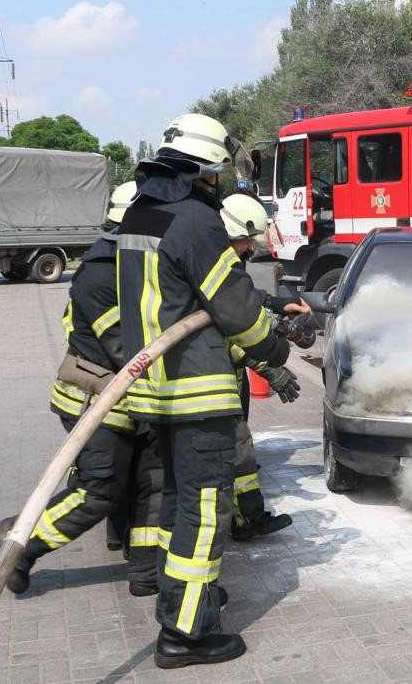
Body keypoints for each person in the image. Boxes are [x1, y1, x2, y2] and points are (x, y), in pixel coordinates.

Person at [117, 114, 289, 669]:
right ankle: (186, 633)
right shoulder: (194, 221)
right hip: (196, 390)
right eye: (215, 171)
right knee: (206, 509)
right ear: (201, 170)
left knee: (177, 505)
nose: (218, 181)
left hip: (155, 392)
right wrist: (278, 352)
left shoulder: (141, 214)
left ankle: (184, 599)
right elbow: (233, 305)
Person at [6, 182, 165, 599]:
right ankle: (20, 548)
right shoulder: (100, 274)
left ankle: (145, 571)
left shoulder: (128, 262)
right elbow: (127, 349)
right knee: (100, 491)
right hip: (96, 403)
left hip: (132, 403)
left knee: (150, 482)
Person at [217, 192, 302, 541]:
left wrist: (279, 305)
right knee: (238, 449)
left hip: (229, 376)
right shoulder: (217, 266)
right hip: (215, 379)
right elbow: (227, 330)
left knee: (240, 448)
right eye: (245, 241)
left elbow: (246, 299)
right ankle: (246, 519)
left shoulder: (221, 261)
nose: (250, 249)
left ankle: (244, 517)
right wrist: (268, 365)